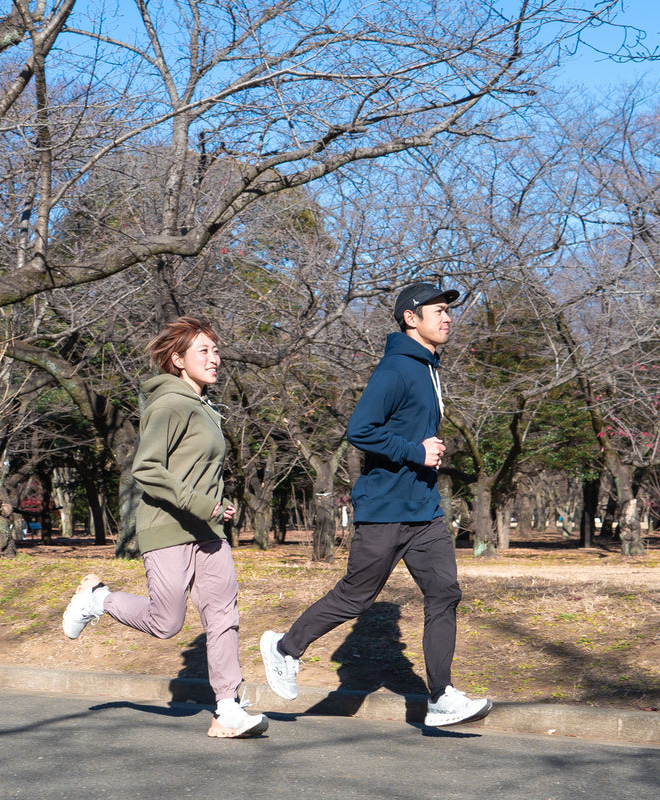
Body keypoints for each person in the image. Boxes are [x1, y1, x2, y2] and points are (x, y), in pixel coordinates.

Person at [260, 282, 492, 727]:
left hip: (423, 510)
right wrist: (416, 452)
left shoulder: (427, 368)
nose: (447, 318)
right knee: (356, 597)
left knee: (444, 594)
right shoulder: (396, 369)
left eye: (449, 311)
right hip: (385, 508)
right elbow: (360, 430)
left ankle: (441, 696)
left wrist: (427, 453)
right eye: (439, 310)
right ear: (411, 317)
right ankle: (284, 647)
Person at [62, 317, 267, 739]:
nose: (215, 358)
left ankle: (228, 707)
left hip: (209, 531)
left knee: (223, 615)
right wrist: (201, 504)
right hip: (168, 528)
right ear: (177, 360)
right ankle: (98, 600)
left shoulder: (206, 408)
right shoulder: (168, 405)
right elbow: (148, 468)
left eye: (215, 349)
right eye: (203, 351)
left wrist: (221, 506)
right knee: (166, 622)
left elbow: (201, 473)